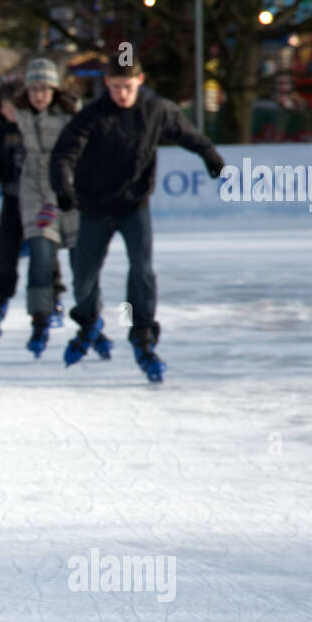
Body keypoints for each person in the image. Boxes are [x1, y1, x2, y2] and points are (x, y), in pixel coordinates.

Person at [50, 58, 224, 382]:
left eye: (127, 87)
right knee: (84, 275)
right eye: (115, 87)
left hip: (134, 205)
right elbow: (63, 154)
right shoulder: (92, 116)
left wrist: (211, 156)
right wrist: (63, 188)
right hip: (95, 207)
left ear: (140, 80)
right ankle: (90, 322)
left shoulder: (156, 109)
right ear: (106, 83)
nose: (121, 94)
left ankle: (142, 335)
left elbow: (187, 134)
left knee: (141, 269)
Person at [14, 58, 81, 358]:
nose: (38, 95)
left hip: (68, 189)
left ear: (55, 90)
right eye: (33, 89)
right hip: (33, 189)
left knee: (82, 262)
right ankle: (39, 320)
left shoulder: (71, 116)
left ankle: (90, 318)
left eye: (45, 88)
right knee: (40, 254)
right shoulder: (20, 112)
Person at [0, 75, 27, 318]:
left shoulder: (34, 126)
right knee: (4, 253)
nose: (2, 109)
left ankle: (50, 301)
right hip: (12, 197)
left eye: (7, 105)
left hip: (38, 200)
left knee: (45, 255)